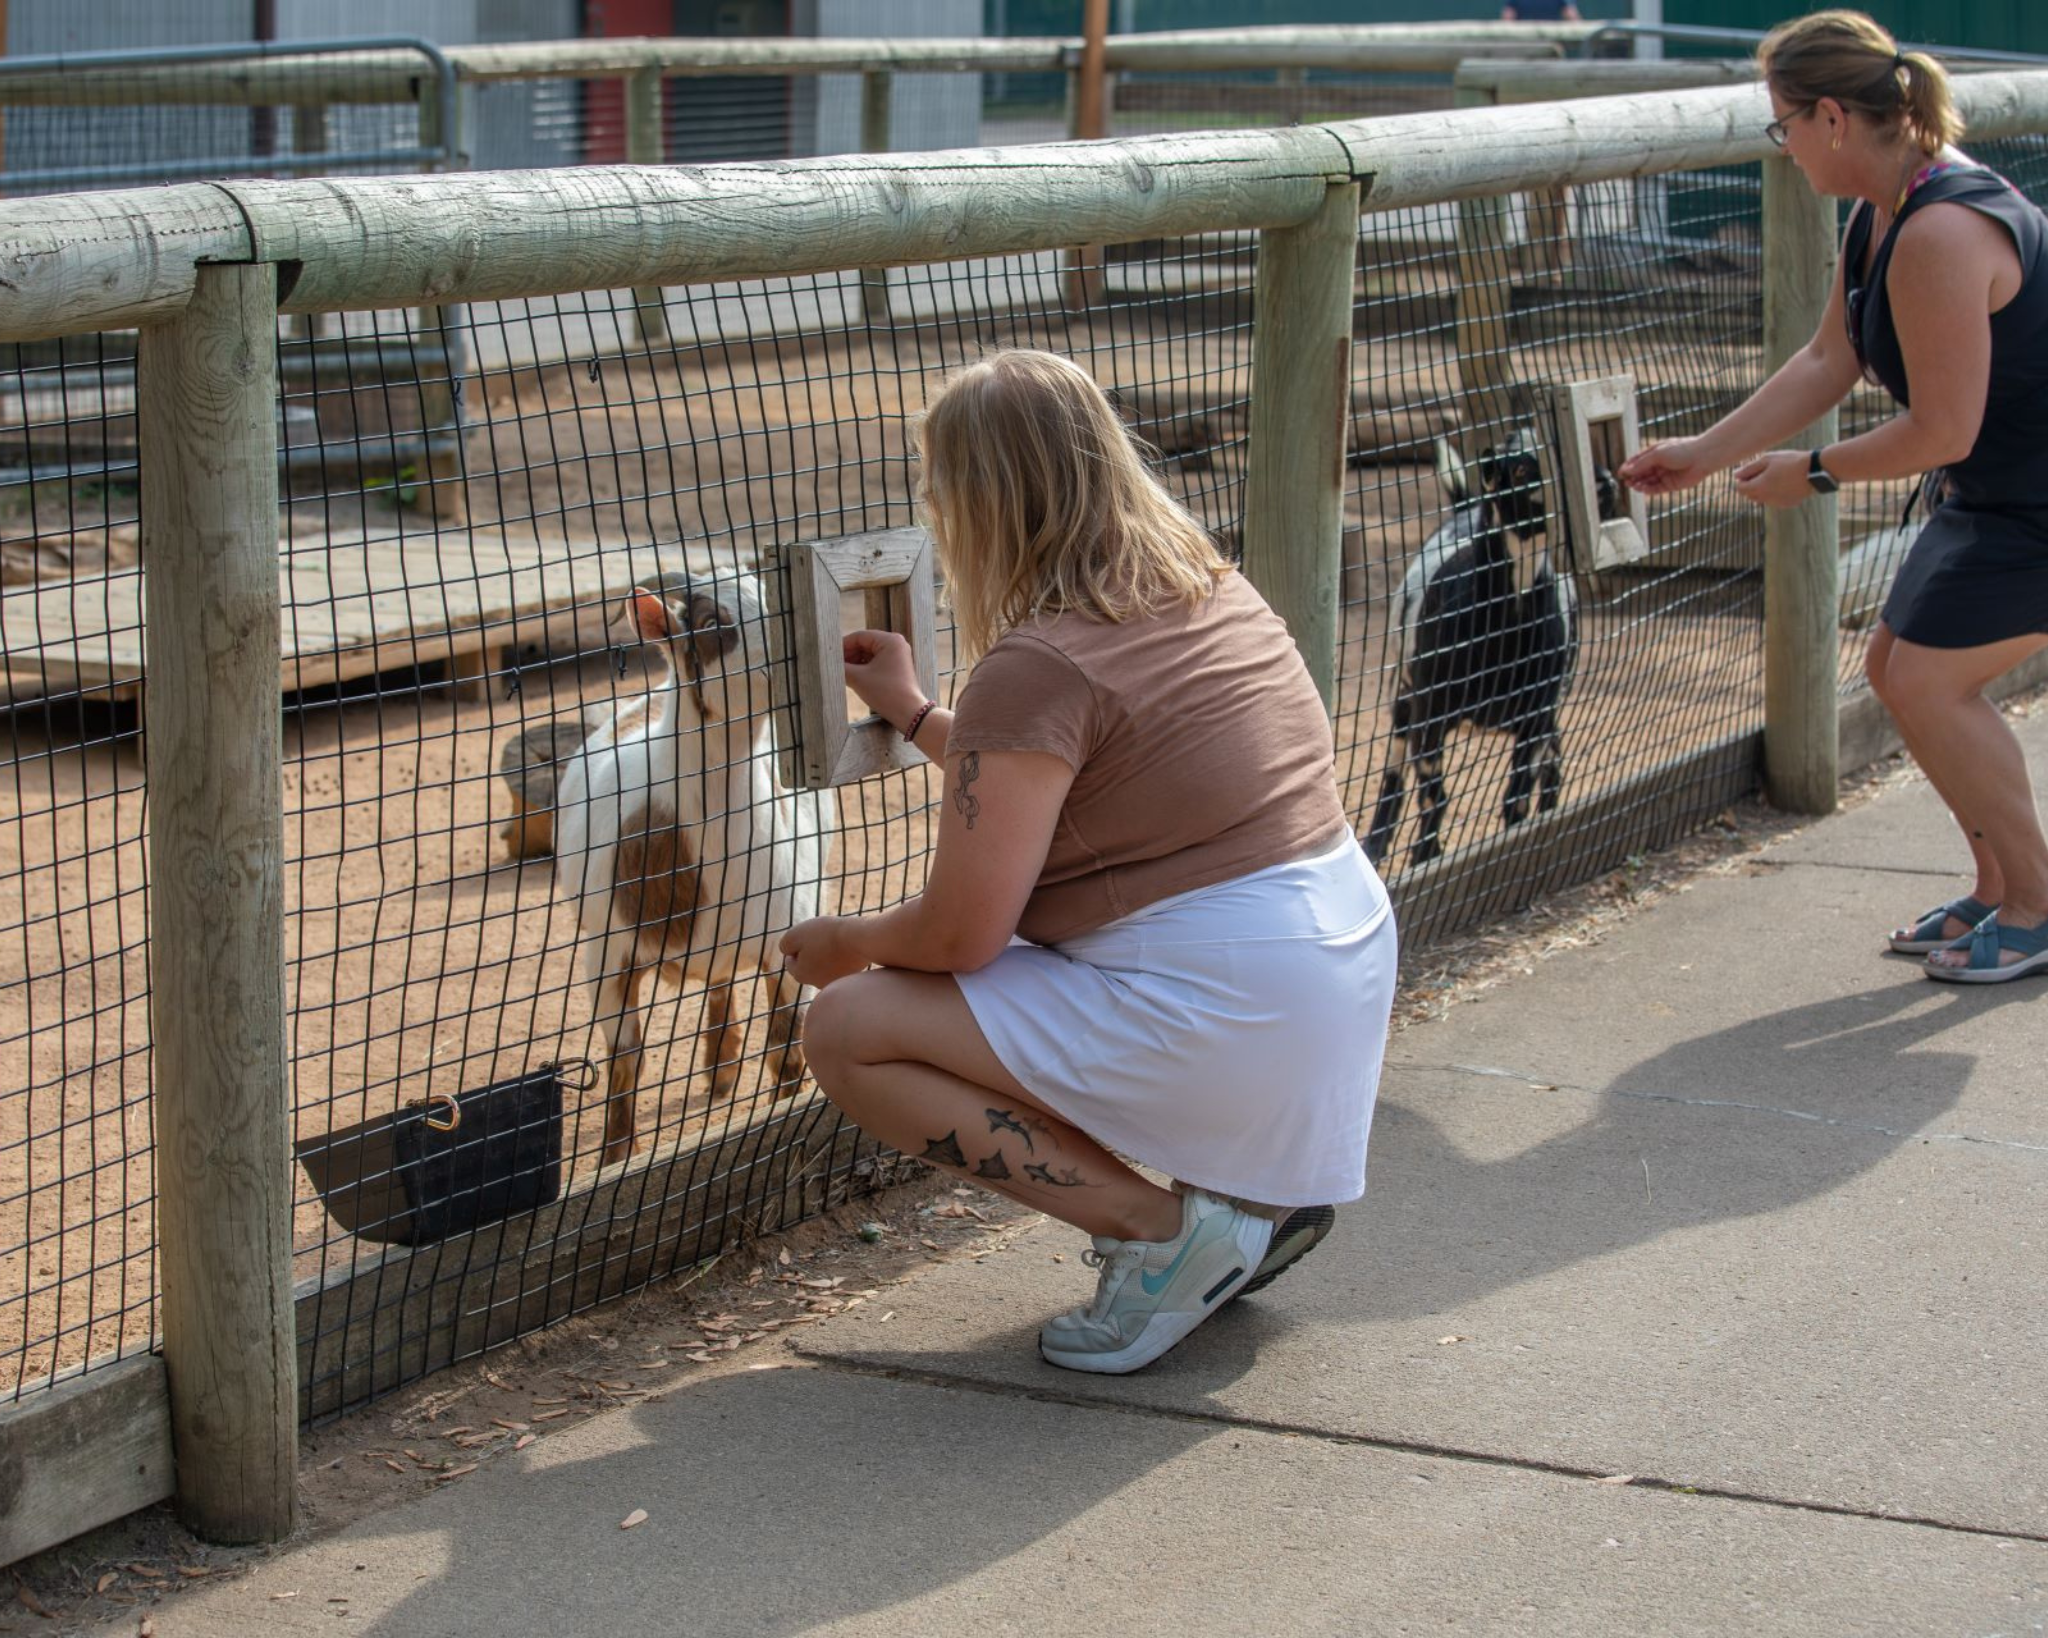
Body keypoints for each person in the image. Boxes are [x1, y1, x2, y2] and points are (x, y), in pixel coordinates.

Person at [780, 349, 1397, 1374]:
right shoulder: (1206, 584)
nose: (930, 507)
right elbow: (1082, 791)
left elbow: (960, 935)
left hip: (1232, 1009)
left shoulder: (1038, 660)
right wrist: (927, 718)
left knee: (851, 1028)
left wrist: (841, 942)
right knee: (971, 990)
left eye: (939, 485)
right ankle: (1247, 1204)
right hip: (1323, 976)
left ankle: (1165, 1235)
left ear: (980, 499)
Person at [1618, 10, 2048, 984]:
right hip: (1996, 491)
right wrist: (1700, 451)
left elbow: (1942, 430)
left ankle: (2033, 903)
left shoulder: (1940, 228)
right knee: (1898, 669)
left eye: (1781, 127)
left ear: (1829, 119)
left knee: (1931, 680)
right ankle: (1994, 887)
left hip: (2025, 496)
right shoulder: (1878, 217)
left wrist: (1808, 475)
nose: (1781, 148)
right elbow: (1827, 358)